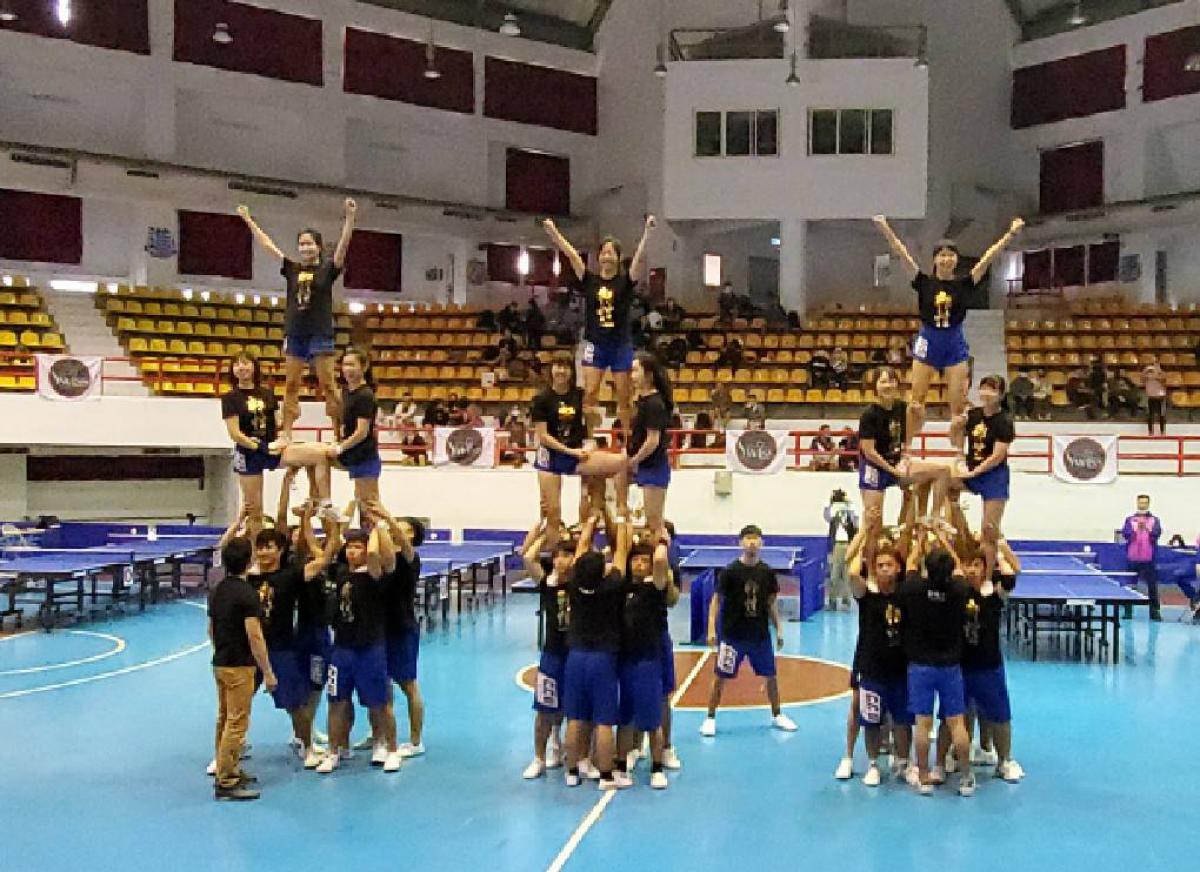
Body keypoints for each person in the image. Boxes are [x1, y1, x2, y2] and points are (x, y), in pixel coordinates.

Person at [872, 215, 1024, 443]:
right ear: (935, 259)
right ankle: (907, 449)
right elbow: (901, 253)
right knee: (915, 403)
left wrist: (1010, 234)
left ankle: (958, 452)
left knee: (958, 406)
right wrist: (885, 228)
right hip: (928, 339)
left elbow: (988, 258)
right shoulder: (923, 282)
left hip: (953, 340)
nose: (946, 259)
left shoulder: (964, 284)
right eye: (942, 255)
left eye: (950, 255)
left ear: (956, 259)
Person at [238, 199, 357, 443]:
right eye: (301, 244)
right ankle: (287, 432)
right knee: (291, 384)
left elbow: (343, 247)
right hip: (295, 333)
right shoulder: (292, 269)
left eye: (309, 244)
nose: (305, 248)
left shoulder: (327, 270)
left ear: (319, 247)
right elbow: (268, 246)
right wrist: (249, 220)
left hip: (320, 333)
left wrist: (350, 218)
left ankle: (338, 432)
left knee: (328, 384)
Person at [543, 215, 657, 437]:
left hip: (620, 346)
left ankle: (628, 441)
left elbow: (639, 259)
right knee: (590, 393)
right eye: (603, 253)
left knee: (624, 398)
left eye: (611, 253)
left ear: (618, 257)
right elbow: (572, 255)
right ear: (599, 257)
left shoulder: (625, 282)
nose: (606, 256)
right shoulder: (590, 281)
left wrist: (648, 233)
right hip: (595, 344)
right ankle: (588, 438)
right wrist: (554, 233)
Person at [247, 514, 342, 769]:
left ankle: (306, 747)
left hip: (281, 648)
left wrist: (327, 524)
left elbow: (324, 558)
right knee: (238, 702)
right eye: (260, 547)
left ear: (280, 550)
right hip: (250, 650)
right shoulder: (247, 577)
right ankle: (230, 749)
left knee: (295, 704)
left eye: (269, 547)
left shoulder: (291, 576)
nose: (263, 552)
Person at [220, 352, 341, 538]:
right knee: (255, 511)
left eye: (245, 363)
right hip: (248, 453)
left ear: (254, 367)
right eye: (237, 364)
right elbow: (235, 434)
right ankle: (256, 550)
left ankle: (321, 501)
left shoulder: (266, 394)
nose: (242, 368)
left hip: (272, 447)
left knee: (319, 453)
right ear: (232, 370)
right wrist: (260, 447)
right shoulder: (230, 398)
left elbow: (276, 423)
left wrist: (288, 425)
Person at [898, 526, 975, 796]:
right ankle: (966, 779)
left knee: (923, 722)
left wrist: (920, 540)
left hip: (921, 666)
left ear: (927, 569)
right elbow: (960, 568)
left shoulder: (914, 589)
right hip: (950, 667)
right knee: (957, 723)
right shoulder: (959, 590)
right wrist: (944, 540)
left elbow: (909, 564)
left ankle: (923, 776)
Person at [700, 525, 797, 737]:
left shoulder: (767, 573)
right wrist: (711, 629)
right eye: (748, 538)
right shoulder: (730, 572)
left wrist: (779, 628)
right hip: (732, 636)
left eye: (755, 538)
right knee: (720, 676)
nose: (752, 542)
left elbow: (771, 603)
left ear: (761, 543)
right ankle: (710, 717)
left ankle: (777, 714)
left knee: (771, 676)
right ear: (741, 543)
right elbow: (716, 601)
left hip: (759, 635)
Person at [318, 522, 398, 773]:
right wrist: (330, 521)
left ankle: (390, 748)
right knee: (336, 702)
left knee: (380, 703)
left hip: (370, 648)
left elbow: (375, 553)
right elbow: (326, 549)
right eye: (350, 547)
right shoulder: (341, 572)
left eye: (358, 547)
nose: (352, 551)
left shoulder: (375, 576)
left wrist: (376, 527)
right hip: (342, 649)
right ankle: (334, 751)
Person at [531, 352, 628, 551]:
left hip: (576, 453)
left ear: (571, 371)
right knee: (552, 513)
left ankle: (607, 508)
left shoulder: (579, 395)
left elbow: (594, 422)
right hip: (551, 456)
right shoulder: (541, 399)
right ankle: (552, 555)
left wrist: (591, 418)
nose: (561, 371)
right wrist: (571, 452)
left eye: (565, 367)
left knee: (619, 462)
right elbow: (543, 436)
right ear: (551, 369)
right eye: (558, 366)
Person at [563, 515, 632, 790]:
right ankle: (605, 776)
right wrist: (621, 521)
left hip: (575, 656)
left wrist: (590, 522)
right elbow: (622, 551)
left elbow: (581, 549)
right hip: (603, 658)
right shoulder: (612, 586)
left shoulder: (573, 583)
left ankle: (571, 772)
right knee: (604, 721)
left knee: (575, 718)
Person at [841, 535, 912, 787]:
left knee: (902, 721)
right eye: (879, 565)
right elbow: (852, 574)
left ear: (898, 568)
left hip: (900, 670)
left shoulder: (906, 594)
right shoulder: (867, 595)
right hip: (871, 669)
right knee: (870, 720)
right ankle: (873, 764)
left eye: (888, 565)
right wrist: (865, 533)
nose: (884, 569)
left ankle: (904, 763)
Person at [208, 536, 275, 801]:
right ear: (250, 560)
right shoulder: (247, 594)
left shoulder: (218, 590)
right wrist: (267, 671)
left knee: (224, 718)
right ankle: (226, 781)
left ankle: (228, 767)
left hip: (221, 662)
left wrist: (220, 651)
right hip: (240, 665)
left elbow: (211, 629)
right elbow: (255, 636)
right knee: (237, 722)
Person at [958, 541, 1025, 783]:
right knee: (959, 715)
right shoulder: (956, 592)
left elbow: (1010, 576)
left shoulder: (993, 595)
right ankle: (958, 757)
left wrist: (999, 546)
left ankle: (1004, 761)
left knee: (999, 716)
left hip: (989, 666)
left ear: (986, 568)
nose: (972, 569)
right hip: (960, 666)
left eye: (977, 565)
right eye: (968, 565)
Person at [520, 521, 580, 779]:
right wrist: (544, 532)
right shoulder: (548, 584)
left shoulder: (584, 584)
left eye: (566, 555)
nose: (560, 561)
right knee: (545, 709)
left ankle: (577, 755)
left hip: (577, 655)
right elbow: (528, 557)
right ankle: (539, 758)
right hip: (553, 654)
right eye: (557, 556)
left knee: (576, 709)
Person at [614, 534, 672, 790]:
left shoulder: (655, 588)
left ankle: (657, 768)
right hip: (625, 661)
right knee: (625, 718)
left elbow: (660, 561)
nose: (639, 564)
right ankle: (620, 765)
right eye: (635, 560)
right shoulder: (622, 588)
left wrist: (661, 540)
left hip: (648, 661)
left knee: (652, 719)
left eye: (644, 561)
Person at [373, 503, 428, 760]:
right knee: (381, 685)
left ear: (413, 536)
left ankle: (416, 741)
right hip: (377, 628)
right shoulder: (383, 557)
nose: (398, 532)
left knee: (408, 685)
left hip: (402, 628)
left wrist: (386, 516)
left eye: (405, 530)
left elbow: (403, 545)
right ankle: (381, 735)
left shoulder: (411, 559)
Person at [952, 375, 1014, 580]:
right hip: (972, 470)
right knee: (944, 480)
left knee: (989, 530)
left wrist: (973, 472)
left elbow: (997, 456)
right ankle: (951, 518)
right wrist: (959, 452)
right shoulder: (973, 415)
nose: (986, 393)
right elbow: (955, 436)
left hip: (993, 475)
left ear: (1001, 395)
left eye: (992, 390)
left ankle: (986, 578)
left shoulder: (1004, 421)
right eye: (983, 388)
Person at [324, 348, 381, 516]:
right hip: (350, 453)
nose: (347, 369)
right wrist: (336, 438)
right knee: (317, 456)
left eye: (351, 365)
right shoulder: (345, 392)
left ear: (364, 367)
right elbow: (340, 421)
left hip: (364, 456)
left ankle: (386, 530)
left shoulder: (365, 395)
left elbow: (361, 432)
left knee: (370, 506)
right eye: (344, 365)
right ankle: (322, 501)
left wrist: (340, 447)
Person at [625, 352, 675, 541]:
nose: (631, 376)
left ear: (648, 374)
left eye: (635, 371)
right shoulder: (641, 400)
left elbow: (652, 440)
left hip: (653, 465)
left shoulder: (655, 403)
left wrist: (634, 461)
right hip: (643, 463)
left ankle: (664, 555)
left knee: (655, 523)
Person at [1122, 495, 1163, 621]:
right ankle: (1128, 611)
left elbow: (1156, 534)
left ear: (1148, 504)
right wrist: (1135, 530)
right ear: (1137, 503)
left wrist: (1147, 528)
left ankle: (1154, 612)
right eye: (1141, 503)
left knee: (1152, 587)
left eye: (1145, 503)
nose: (1142, 505)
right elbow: (1125, 534)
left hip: (1148, 558)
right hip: (1132, 557)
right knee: (1130, 586)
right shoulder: (1130, 520)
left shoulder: (1154, 520)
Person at [824, 490, 858, 610]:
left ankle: (846, 601)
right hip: (837, 546)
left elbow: (856, 519)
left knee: (847, 575)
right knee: (834, 575)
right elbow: (826, 516)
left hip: (849, 545)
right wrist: (830, 502)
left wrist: (849, 503)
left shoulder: (851, 515)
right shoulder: (834, 515)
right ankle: (832, 601)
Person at [1142, 357, 1167, 434]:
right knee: (1150, 415)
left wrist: (1156, 375)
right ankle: (1150, 432)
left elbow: (1163, 381)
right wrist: (1146, 371)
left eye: (1157, 365)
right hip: (1151, 397)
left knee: (1162, 415)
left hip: (1160, 398)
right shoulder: (1147, 375)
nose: (1155, 367)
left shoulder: (1162, 374)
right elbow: (1143, 379)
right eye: (1154, 365)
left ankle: (1162, 432)